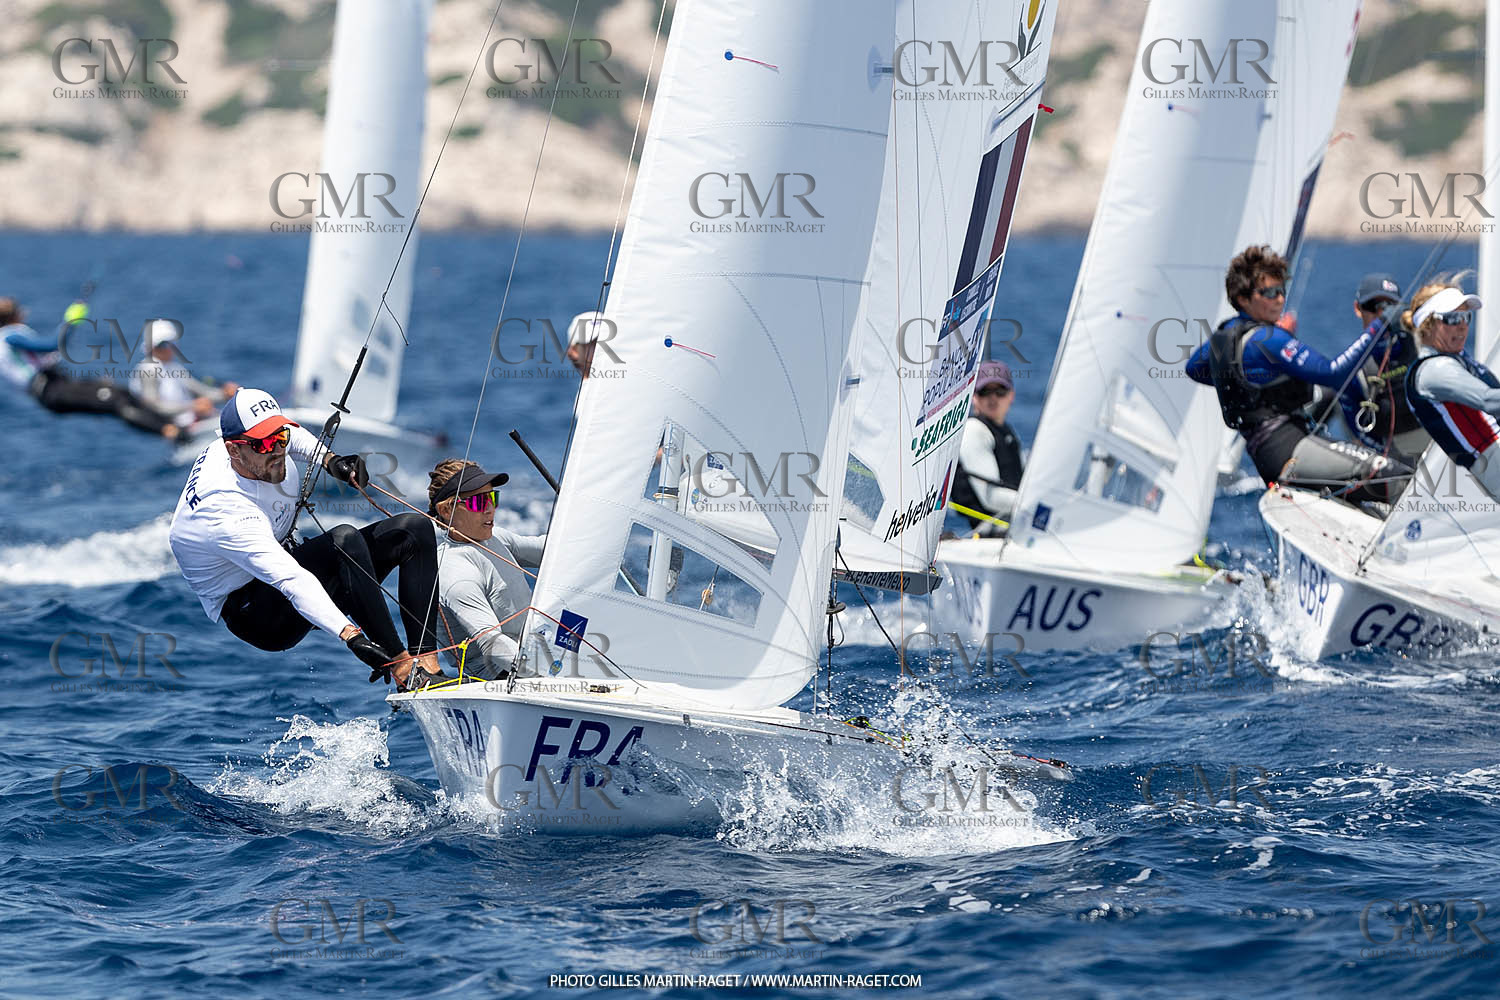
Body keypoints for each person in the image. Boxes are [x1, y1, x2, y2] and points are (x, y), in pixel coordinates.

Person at [169, 389, 446, 690]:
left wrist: (331, 461)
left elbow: (295, 436)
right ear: (233, 451)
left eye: (279, 439)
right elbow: (291, 580)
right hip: (258, 616)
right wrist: (351, 636)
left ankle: (428, 663)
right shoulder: (225, 510)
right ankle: (404, 669)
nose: (277, 450)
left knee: (414, 529)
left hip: (286, 567)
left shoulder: (259, 446)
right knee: (344, 540)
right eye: (264, 444)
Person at [1186, 245, 1411, 507]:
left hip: (1267, 456)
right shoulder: (1269, 339)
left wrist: (1249, 377)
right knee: (1399, 478)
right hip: (1289, 449)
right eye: (1268, 293)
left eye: (1280, 291)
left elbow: (1194, 369)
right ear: (1242, 297)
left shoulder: (1224, 337)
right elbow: (1334, 373)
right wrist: (1379, 325)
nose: (1279, 299)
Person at [427, 459, 547, 679]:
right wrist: (551, 677)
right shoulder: (455, 572)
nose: (490, 509)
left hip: (536, 654)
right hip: (500, 678)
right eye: (479, 503)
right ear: (446, 509)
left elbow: (548, 550)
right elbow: (493, 645)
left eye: (493, 498)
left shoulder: (495, 538)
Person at [1, 297, 178, 438]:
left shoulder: (8, 340)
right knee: (116, 402)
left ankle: (173, 424)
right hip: (51, 390)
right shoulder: (9, 335)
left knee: (120, 393)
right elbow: (52, 344)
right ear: (14, 317)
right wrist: (70, 320)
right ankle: (174, 432)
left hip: (55, 386)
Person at [1402, 283, 1500, 499]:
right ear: (1428, 325)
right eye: (1453, 319)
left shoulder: (1458, 361)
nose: (1463, 326)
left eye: (1466, 318)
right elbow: (1489, 401)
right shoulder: (1434, 370)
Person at [1335, 273, 1429, 461]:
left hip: (1434, 442)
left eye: (1389, 308)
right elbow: (1358, 433)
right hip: (1390, 455)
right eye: (1373, 307)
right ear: (1358, 309)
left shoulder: (1423, 347)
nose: (1381, 315)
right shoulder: (1353, 368)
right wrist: (1391, 461)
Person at [952, 361, 1025, 535]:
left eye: (1000, 391)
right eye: (985, 392)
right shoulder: (974, 430)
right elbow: (990, 498)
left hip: (1013, 530)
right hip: (987, 537)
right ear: (973, 396)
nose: (993, 398)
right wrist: (1035, 503)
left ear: (1011, 395)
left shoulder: (1007, 433)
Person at [129, 318, 239, 428]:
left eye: (171, 343)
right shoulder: (148, 369)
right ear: (151, 347)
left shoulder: (174, 368)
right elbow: (153, 406)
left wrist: (224, 394)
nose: (169, 349)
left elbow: (202, 391)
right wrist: (192, 407)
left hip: (195, 420)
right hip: (179, 429)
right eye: (163, 345)